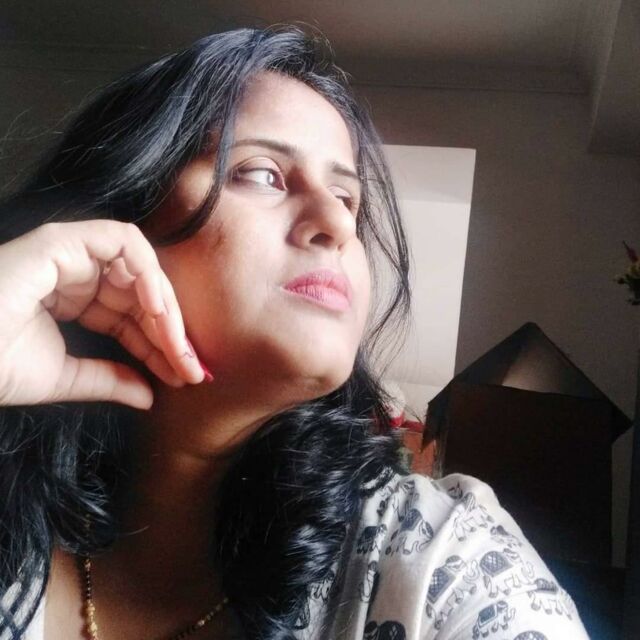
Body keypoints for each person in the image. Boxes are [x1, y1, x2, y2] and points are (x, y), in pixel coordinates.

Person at [0, 25, 590, 640]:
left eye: (348, 197)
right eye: (262, 174)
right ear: (116, 217)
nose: (338, 222)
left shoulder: (446, 564)